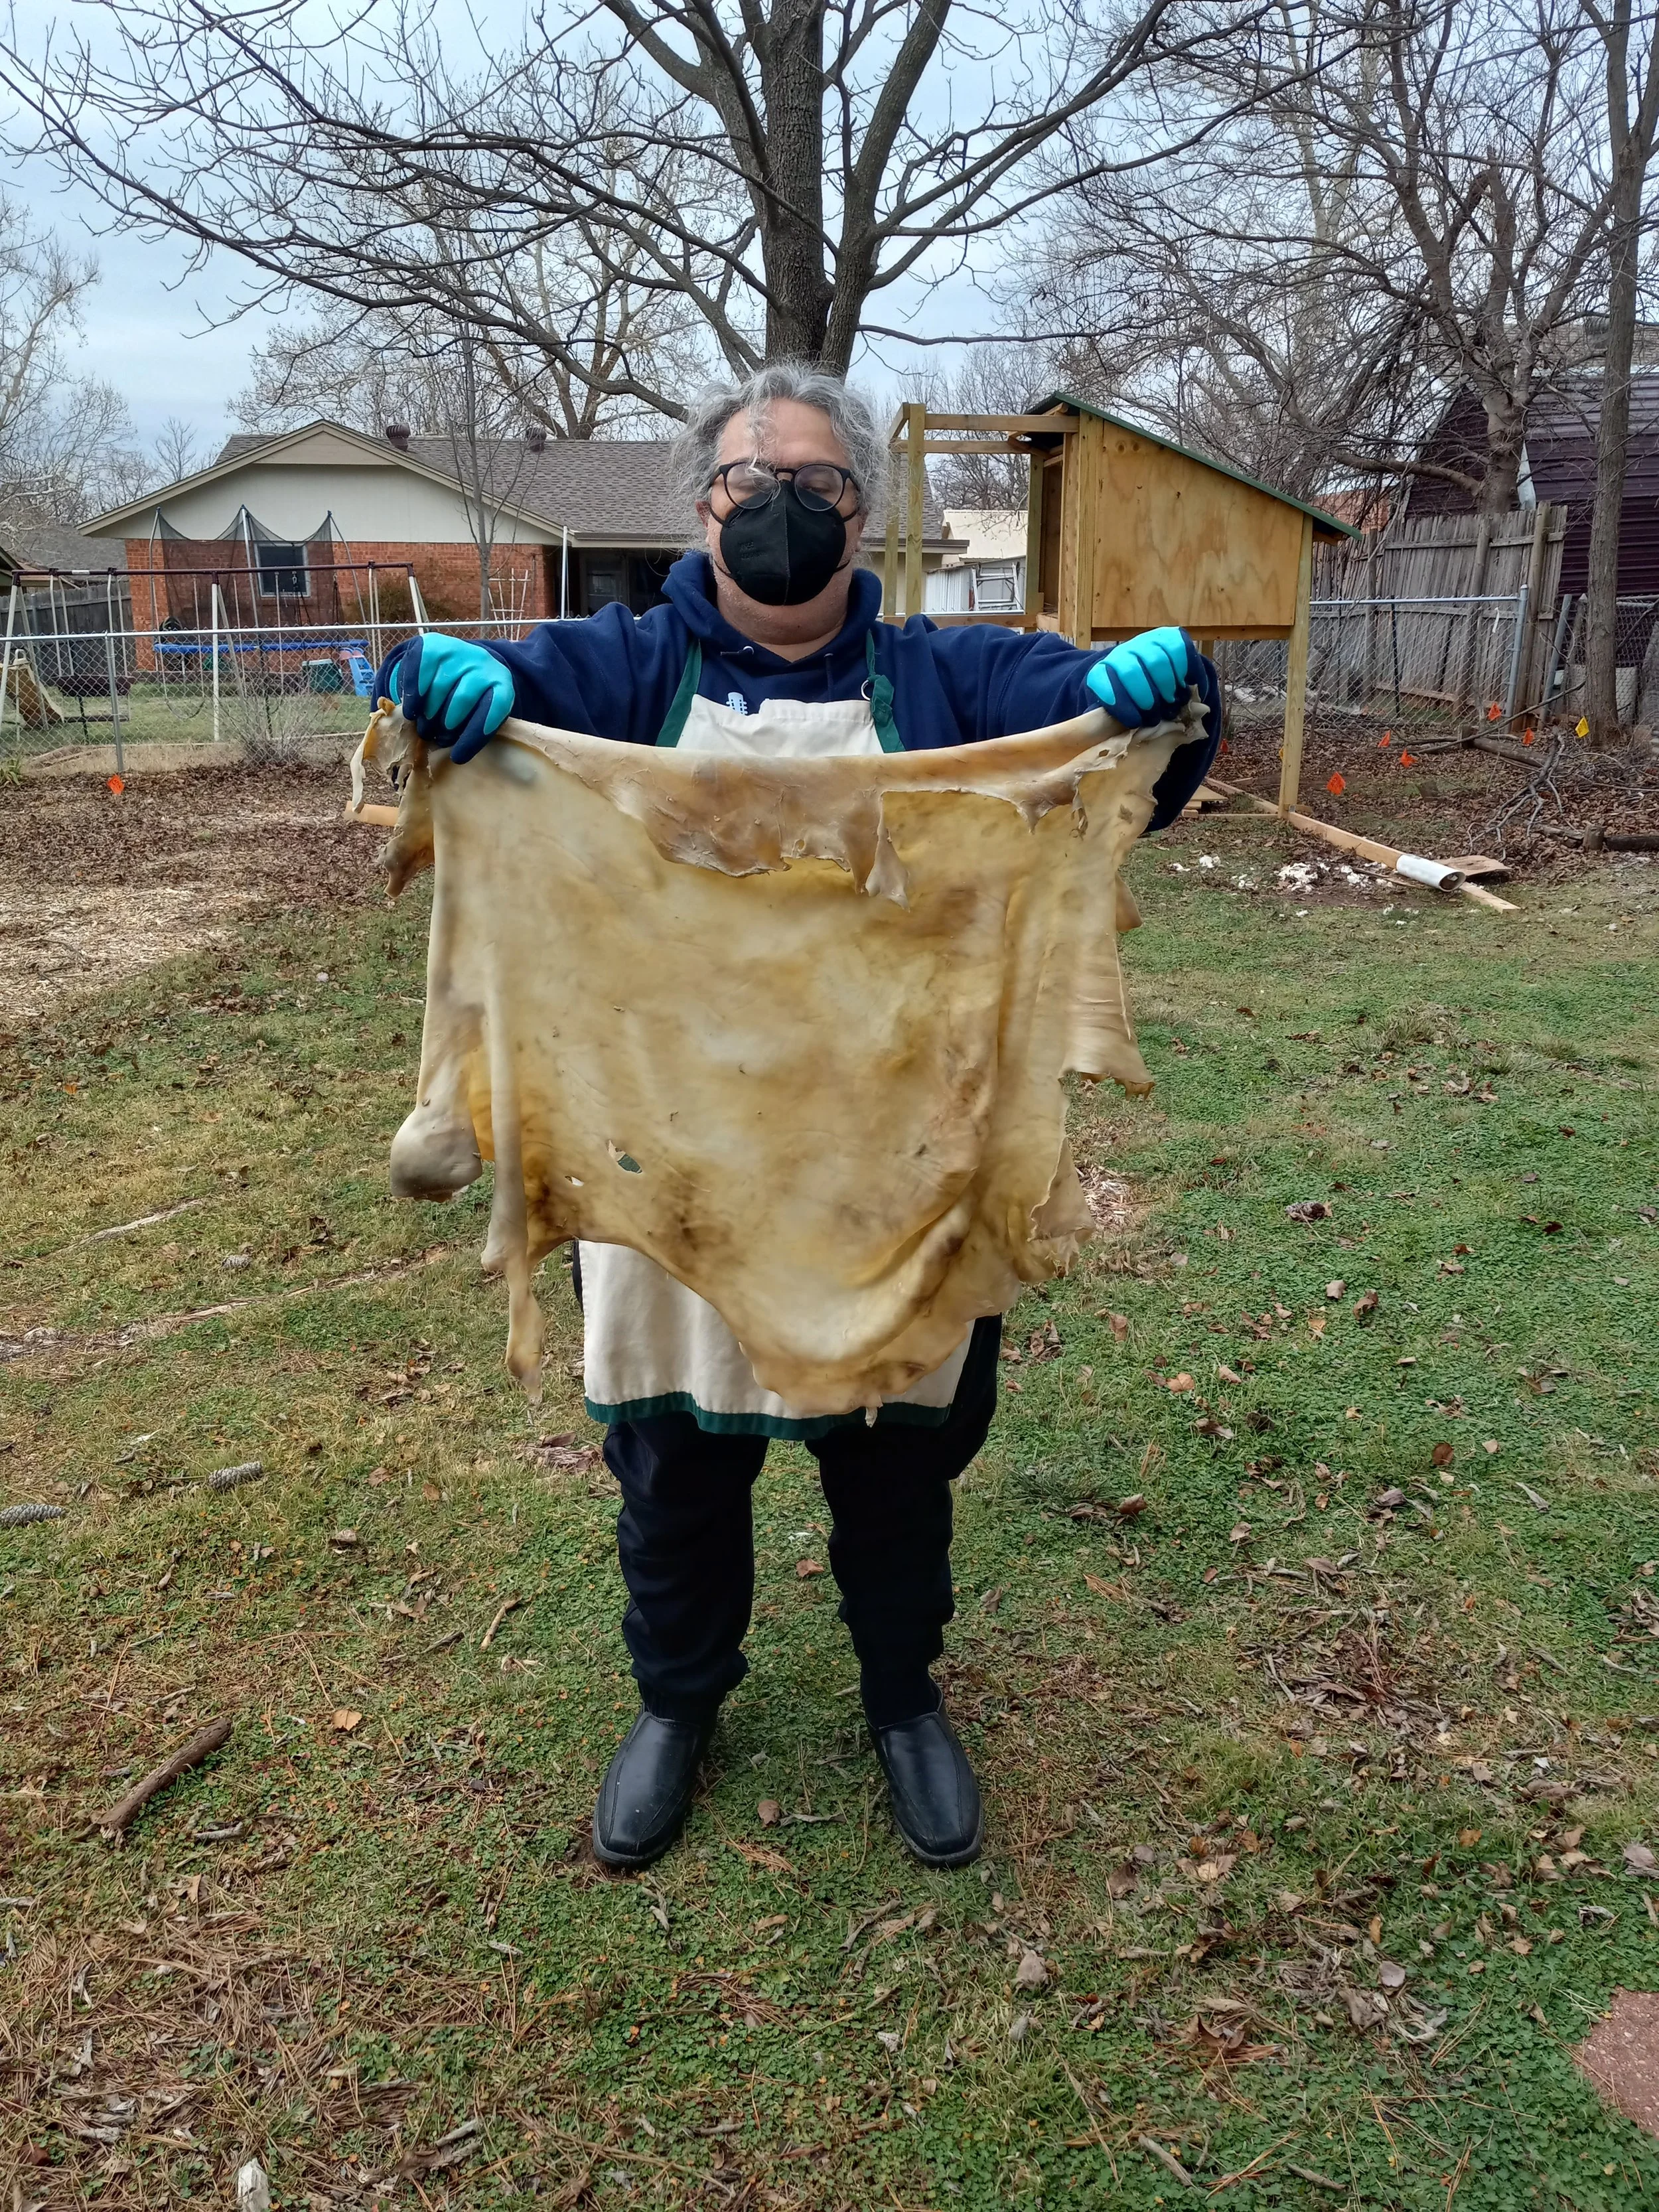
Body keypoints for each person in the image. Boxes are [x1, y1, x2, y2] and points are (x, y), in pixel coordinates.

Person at [375, 364, 1220, 1874]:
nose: (780, 508)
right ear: (700, 508)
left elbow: (1097, 742)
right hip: (670, 1159)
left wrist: (1166, 701)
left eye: (819, 487)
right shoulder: (615, 669)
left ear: (861, 520)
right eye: (747, 482)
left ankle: (902, 1698)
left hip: (893, 1158)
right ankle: (676, 1703)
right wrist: (433, 686)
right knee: (675, 1467)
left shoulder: (952, 681)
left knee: (894, 1463)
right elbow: (463, 696)